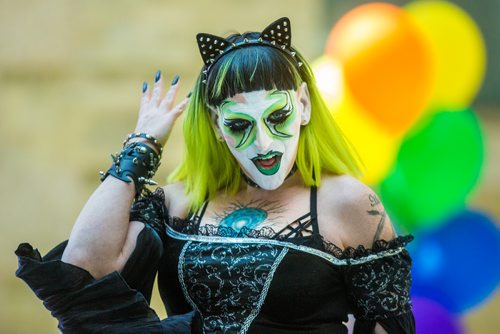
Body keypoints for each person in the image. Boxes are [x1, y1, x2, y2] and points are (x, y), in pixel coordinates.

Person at [15, 17, 415, 334]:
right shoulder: (179, 202)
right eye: (240, 125)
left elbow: (387, 326)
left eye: (278, 117)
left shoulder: (350, 204)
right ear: (217, 126)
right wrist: (141, 148)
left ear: (305, 106)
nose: (263, 143)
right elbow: (84, 268)